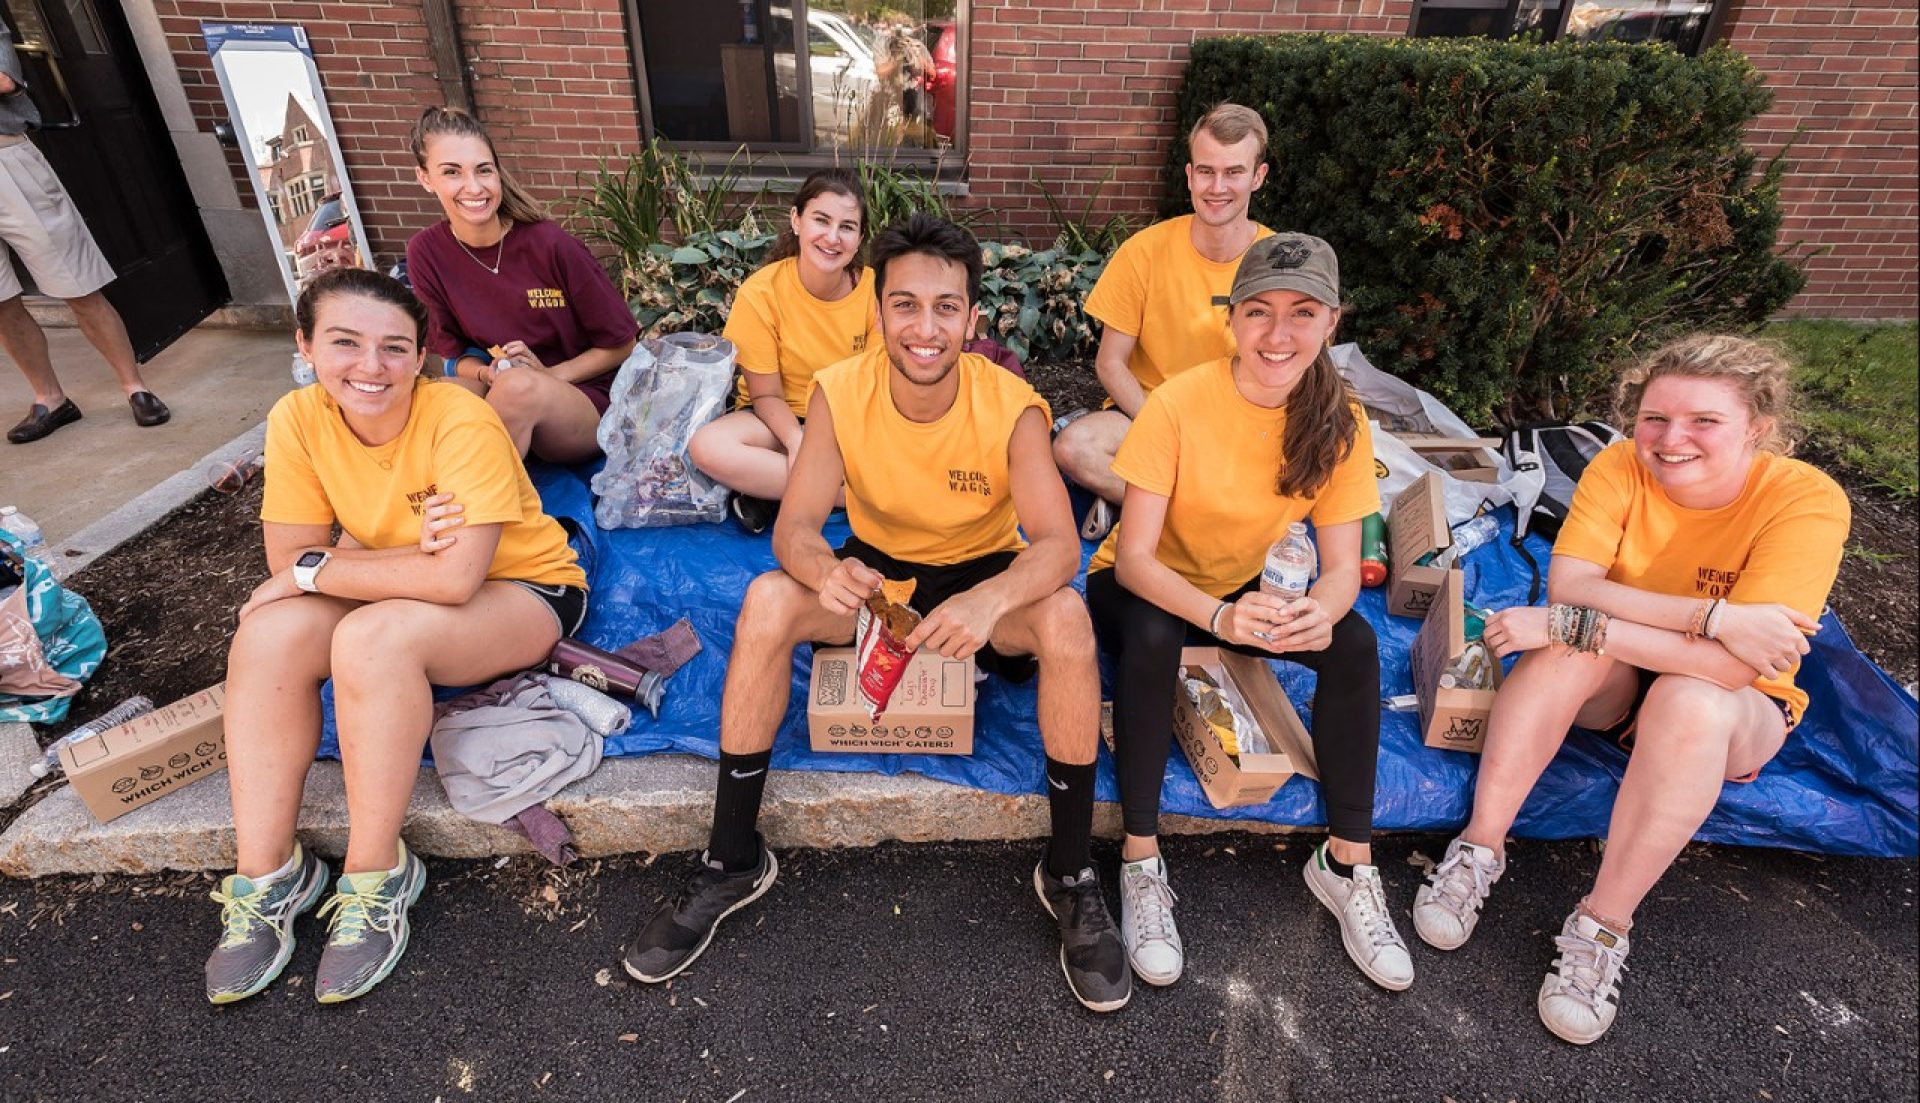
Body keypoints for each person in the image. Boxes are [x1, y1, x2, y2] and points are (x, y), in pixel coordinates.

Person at [623, 214, 1130, 1012]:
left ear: (971, 318)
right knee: (763, 599)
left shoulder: (1015, 406)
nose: (923, 328)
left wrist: (989, 596)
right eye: (904, 305)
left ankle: (1067, 871)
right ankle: (731, 859)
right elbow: (794, 527)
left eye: (944, 308)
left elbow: (1060, 546)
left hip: (982, 584)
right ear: (880, 313)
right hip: (881, 578)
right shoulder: (838, 391)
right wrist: (823, 569)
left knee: (1066, 620)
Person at [1412, 334, 1849, 1044]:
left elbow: (1733, 669)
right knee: (1566, 649)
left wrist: (1583, 624)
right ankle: (1479, 847)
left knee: (1682, 693)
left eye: (1704, 421)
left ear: (1758, 428)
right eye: (1654, 418)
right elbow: (1576, 582)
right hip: (1631, 675)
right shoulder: (1621, 462)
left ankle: (1602, 924)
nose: (1671, 440)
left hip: (1731, 708)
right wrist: (1712, 616)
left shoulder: (1804, 500)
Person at [203, 267, 588, 1005]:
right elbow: (291, 564)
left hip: (524, 590)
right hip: (393, 581)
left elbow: (455, 580)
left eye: (394, 348)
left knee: (370, 640)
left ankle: (377, 874)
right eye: (346, 343)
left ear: (419, 357)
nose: (371, 367)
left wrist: (342, 565)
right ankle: (269, 874)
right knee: (267, 631)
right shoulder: (297, 419)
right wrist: (397, 556)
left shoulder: (459, 419)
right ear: (306, 345)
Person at [1085, 233, 1414, 992]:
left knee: (1356, 644)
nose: (1278, 334)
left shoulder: (1340, 419)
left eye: (1302, 313)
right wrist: (1223, 618)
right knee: (1155, 634)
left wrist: (1317, 613)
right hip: (1149, 586)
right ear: (1230, 320)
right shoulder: (1179, 402)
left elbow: (1339, 572)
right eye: (1259, 311)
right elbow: (1133, 558)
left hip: (1245, 592)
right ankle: (1139, 856)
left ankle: (1347, 861)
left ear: (1332, 321)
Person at [1051, 103, 1273, 538]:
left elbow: (1293, 374)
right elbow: (1110, 363)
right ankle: (1189, 517)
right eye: (1207, 171)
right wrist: (1167, 429)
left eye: (1233, 173)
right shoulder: (1145, 251)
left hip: (1239, 425)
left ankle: (1134, 503)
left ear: (1258, 177)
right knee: (1074, 447)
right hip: (1148, 415)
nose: (1217, 187)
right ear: (1189, 176)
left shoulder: (1277, 262)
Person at [404, 107, 637, 462]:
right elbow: (452, 355)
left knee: (517, 388)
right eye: (452, 172)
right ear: (425, 178)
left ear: (498, 173)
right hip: (502, 384)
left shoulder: (552, 244)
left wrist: (548, 375)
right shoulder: (426, 251)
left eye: (484, 170)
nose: (474, 187)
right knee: (432, 398)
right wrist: (488, 371)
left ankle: (476, 503)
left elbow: (623, 345)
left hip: (586, 399)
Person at [0, 24, 168, 444]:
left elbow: (4, 79)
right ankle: (51, 399)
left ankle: (136, 387)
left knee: (79, 286)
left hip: (8, 163)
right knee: (0, 303)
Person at [688, 168, 879, 533]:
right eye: (821, 220)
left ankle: (768, 489)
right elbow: (766, 395)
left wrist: (830, 442)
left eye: (847, 226)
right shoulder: (761, 293)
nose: (832, 237)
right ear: (797, 220)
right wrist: (798, 443)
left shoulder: (875, 292)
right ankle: (849, 498)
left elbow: (872, 390)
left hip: (847, 422)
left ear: (860, 237)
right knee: (708, 447)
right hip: (776, 420)